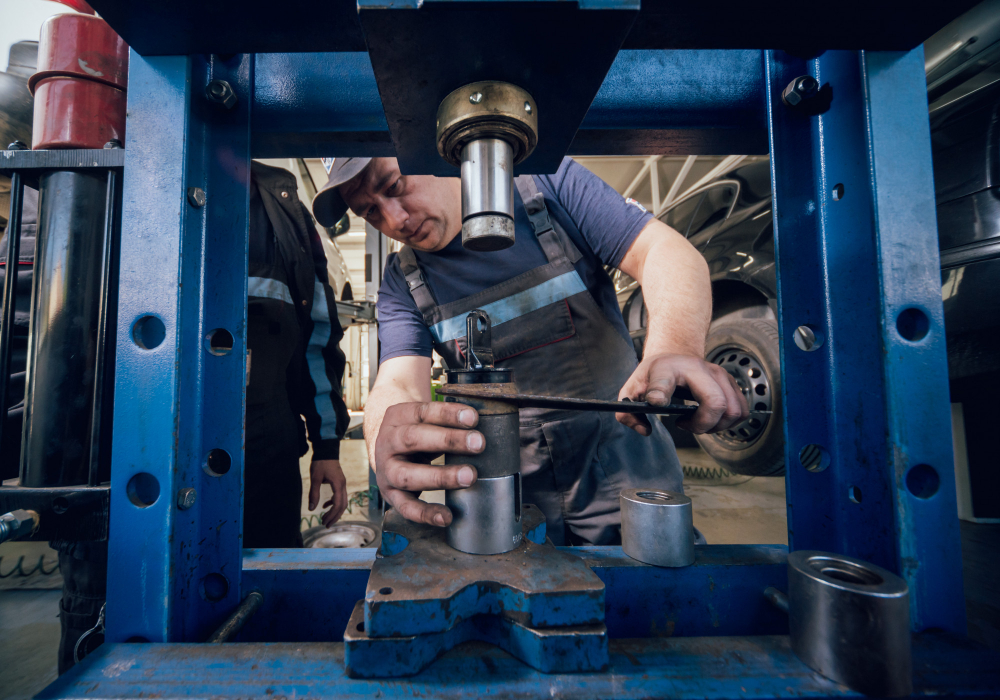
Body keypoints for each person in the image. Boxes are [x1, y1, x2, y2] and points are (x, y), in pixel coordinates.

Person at [0, 161, 349, 672]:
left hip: (265, 462)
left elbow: (317, 337)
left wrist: (328, 445)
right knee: (117, 642)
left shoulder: (283, 203)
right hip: (123, 470)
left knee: (263, 618)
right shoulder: (89, 173)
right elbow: (35, 339)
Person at [311, 156, 747, 545]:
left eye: (394, 186)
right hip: (502, 501)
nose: (395, 219)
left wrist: (674, 348)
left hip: (626, 472)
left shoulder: (548, 185)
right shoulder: (402, 280)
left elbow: (663, 250)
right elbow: (399, 380)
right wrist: (384, 439)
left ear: (436, 151)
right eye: (370, 211)